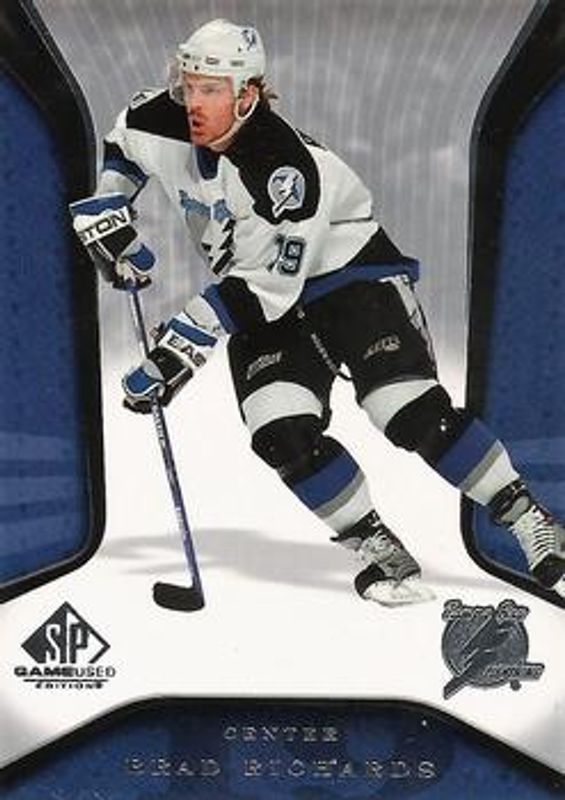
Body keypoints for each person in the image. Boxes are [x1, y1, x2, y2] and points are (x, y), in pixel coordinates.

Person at [70, 18, 565, 605]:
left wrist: (176, 350)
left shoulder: (283, 170)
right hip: (258, 290)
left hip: (350, 280)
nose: (193, 103)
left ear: (248, 95)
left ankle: (527, 516)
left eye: (211, 90)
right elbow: (125, 144)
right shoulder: (158, 116)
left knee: (405, 410)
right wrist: (112, 204)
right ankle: (377, 547)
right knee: (280, 431)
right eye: (189, 85)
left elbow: (265, 292)